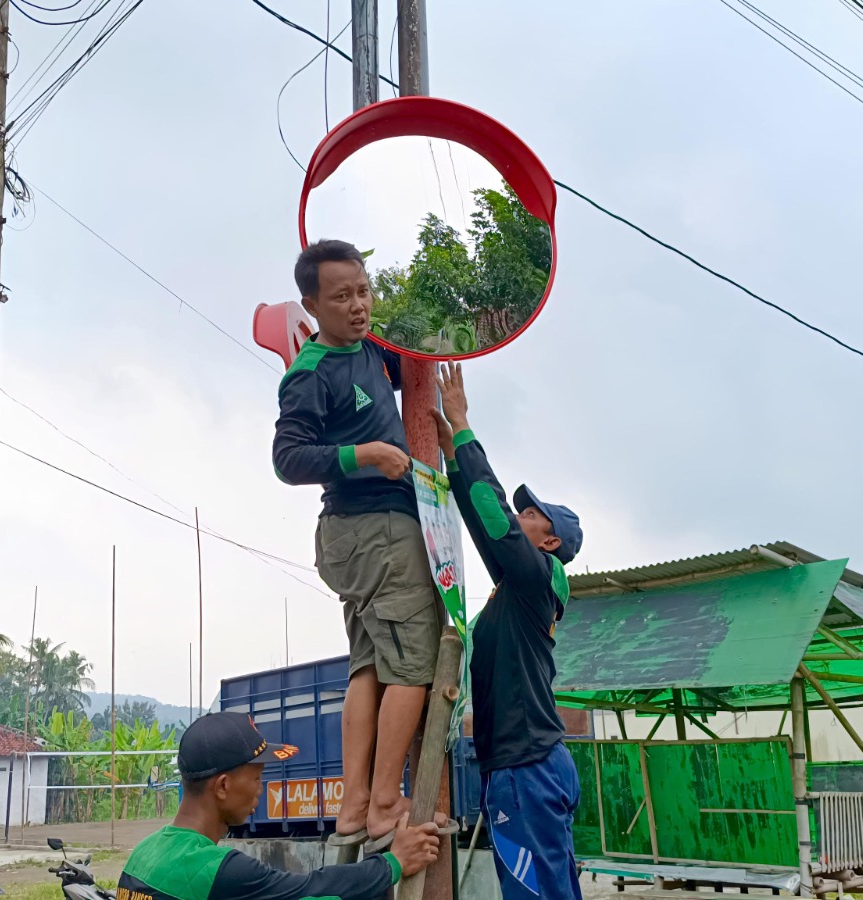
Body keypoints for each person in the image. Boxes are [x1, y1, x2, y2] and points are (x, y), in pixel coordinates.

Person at [271, 239, 446, 847]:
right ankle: (383, 802)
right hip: (371, 529)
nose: (358, 305)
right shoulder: (310, 372)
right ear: (312, 304)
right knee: (413, 668)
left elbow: (419, 357)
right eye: (341, 296)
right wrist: (364, 453)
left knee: (369, 667)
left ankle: (351, 809)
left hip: (365, 539)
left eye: (364, 291)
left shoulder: (373, 351)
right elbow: (287, 458)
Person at [432, 362, 586, 900]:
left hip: (527, 768)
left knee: (532, 892)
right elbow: (490, 527)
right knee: (555, 886)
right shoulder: (524, 588)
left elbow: (495, 519)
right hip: (537, 765)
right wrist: (454, 461)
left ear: (548, 545)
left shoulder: (536, 579)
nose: (520, 514)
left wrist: (463, 426)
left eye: (531, 514)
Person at [116, 712, 442, 900]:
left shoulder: (144, 852)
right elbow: (311, 891)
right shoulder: (220, 871)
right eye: (256, 778)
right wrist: (393, 862)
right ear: (223, 786)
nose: (261, 789)